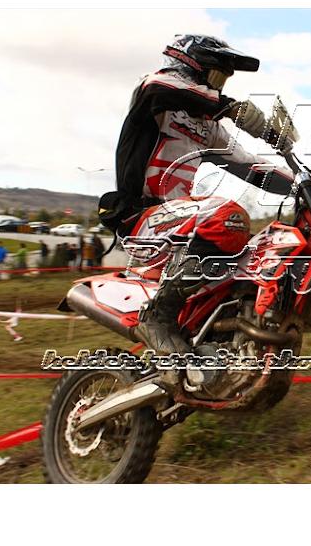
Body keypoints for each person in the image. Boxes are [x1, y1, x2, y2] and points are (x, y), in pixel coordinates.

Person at [99, 34, 296, 388]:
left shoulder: (208, 128)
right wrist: (232, 107)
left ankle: (218, 343)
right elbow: (164, 89)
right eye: (217, 75)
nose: (220, 85)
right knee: (229, 217)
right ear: (191, 66)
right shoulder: (154, 92)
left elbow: (250, 167)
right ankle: (157, 316)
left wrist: (306, 185)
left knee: (260, 255)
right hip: (140, 217)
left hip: (179, 225)